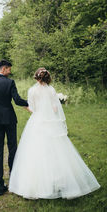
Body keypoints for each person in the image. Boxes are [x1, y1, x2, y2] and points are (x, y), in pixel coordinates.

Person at [9, 67, 100, 199]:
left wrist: (26, 107)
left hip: (37, 123)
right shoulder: (51, 90)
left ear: (36, 77)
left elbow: (33, 109)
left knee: (36, 151)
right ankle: (59, 181)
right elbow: (55, 108)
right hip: (50, 122)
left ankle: (36, 185)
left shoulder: (32, 90)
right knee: (56, 151)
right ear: (47, 78)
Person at [0, 59, 28, 195]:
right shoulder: (10, 83)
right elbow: (17, 100)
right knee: (12, 148)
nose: (10, 72)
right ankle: (13, 180)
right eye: (9, 69)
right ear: (3, 69)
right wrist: (31, 101)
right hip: (9, 120)